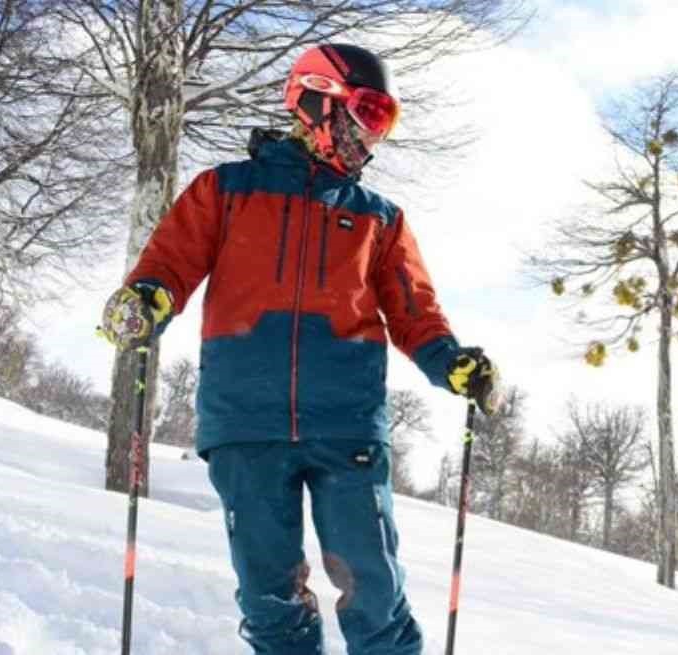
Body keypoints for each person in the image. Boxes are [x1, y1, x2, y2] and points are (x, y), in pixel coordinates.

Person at [98, 42, 497, 655]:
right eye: (366, 112)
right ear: (313, 100)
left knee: (374, 591)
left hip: (346, 427)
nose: (372, 135)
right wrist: (146, 299)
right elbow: (169, 266)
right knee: (270, 598)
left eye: (384, 120)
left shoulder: (378, 219)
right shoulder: (225, 191)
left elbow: (417, 316)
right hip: (245, 422)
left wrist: (454, 364)